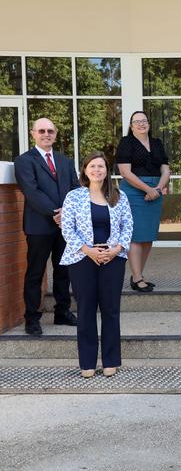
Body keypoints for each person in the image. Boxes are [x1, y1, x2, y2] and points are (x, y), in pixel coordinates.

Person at [60, 152, 133, 378]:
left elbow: (127, 226)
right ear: (85, 170)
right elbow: (67, 228)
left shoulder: (118, 197)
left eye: (101, 166)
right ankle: (87, 363)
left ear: (106, 171)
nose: (97, 170)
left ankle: (111, 360)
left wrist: (116, 250)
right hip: (82, 258)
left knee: (110, 310)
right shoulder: (74, 197)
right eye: (92, 166)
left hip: (112, 257)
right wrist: (88, 250)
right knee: (86, 310)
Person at [14, 118, 79, 336]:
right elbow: (31, 192)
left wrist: (66, 214)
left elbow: (75, 189)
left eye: (50, 130)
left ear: (56, 134)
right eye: (41, 130)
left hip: (64, 226)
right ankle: (32, 318)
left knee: (63, 270)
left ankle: (62, 311)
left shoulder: (65, 161)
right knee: (35, 272)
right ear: (33, 133)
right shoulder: (24, 161)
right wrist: (55, 213)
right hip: (39, 226)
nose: (46, 134)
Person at [116, 111, 170, 293]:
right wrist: (148, 190)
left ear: (149, 123)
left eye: (144, 121)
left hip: (155, 190)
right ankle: (137, 278)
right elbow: (125, 172)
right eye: (136, 122)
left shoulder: (157, 143)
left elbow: (166, 170)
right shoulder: (126, 142)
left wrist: (157, 189)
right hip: (133, 191)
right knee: (136, 236)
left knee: (148, 236)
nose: (141, 124)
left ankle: (138, 274)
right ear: (131, 126)